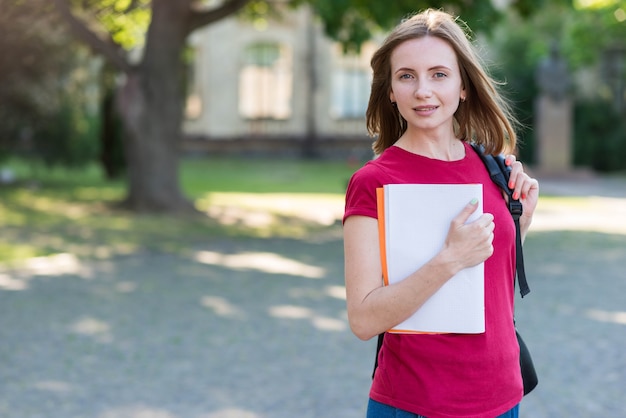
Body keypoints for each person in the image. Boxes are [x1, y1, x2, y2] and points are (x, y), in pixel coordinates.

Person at [343, 9, 539, 418]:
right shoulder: (374, 181)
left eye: (438, 74)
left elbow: (487, 282)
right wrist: (449, 259)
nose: (422, 91)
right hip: (417, 402)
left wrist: (519, 222)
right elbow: (363, 319)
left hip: (502, 397)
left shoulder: (494, 170)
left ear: (463, 86)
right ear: (391, 90)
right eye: (407, 76)